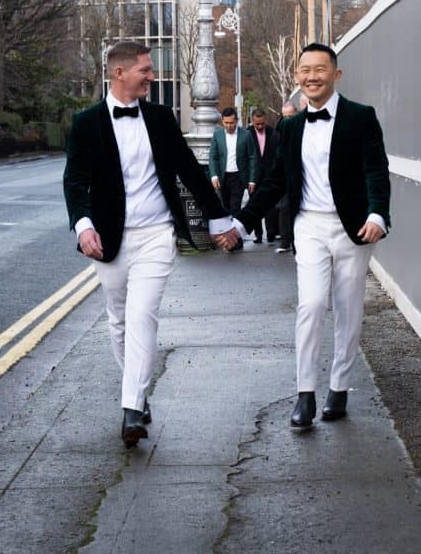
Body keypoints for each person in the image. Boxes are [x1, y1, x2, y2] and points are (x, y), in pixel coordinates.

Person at [63, 42, 240, 447]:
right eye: (144, 69)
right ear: (119, 73)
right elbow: (74, 181)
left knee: (142, 316)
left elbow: (190, 173)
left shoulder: (160, 119)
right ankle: (137, 395)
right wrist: (83, 225)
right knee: (119, 319)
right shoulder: (86, 122)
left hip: (156, 235)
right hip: (109, 238)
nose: (152, 75)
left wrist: (219, 218)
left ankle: (130, 411)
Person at [237, 43, 390, 430]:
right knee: (311, 304)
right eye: (305, 70)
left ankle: (338, 387)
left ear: (336, 75)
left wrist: (378, 214)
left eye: (320, 69)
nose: (312, 76)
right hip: (308, 226)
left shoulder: (360, 117)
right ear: (296, 76)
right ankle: (305, 393)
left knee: (348, 309)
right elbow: (275, 182)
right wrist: (241, 223)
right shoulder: (289, 127)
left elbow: (376, 170)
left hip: (353, 227)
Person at [208, 107, 258, 223]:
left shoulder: (246, 135)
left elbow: (252, 157)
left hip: (238, 177)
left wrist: (252, 180)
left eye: (231, 123)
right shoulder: (217, 135)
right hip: (223, 177)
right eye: (226, 123)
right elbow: (213, 156)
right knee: (225, 208)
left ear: (237, 120)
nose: (229, 126)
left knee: (235, 208)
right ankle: (230, 236)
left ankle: (236, 239)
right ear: (222, 121)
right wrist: (214, 175)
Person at [247, 108, 280, 243]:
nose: (260, 126)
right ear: (252, 121)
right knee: (255, 204)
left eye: (262, 123)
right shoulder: (247, 133)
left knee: (270, 205)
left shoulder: (272, 132)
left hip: (268, 174)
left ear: (265, 120)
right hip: (253, 177)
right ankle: (258, 234)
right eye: (257, 124)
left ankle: (271, 233)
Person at [274, 101, 298, 253]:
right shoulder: (279, 132)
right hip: (284, 175)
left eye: (291, 116)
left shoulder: (302, 129)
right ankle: (285, 241)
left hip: (298, 176)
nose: (288, 119)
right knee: (283, 208)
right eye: (285, 116)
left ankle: (295, 241)